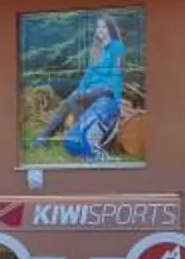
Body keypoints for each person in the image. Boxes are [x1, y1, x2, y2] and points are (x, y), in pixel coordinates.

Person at [35, 16, 129, 157]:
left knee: (75, 99)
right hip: (92, 88)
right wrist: (79, 89)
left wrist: (117, 97)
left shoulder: (117, 47)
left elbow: (117, 73)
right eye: (98, 27)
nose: (100, 30)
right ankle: (43, 137)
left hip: (105, 89)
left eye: (104, 27)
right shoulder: (96, 48)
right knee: (68, 102)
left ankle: (79, 134)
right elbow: (89, 73)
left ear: (111, 29)